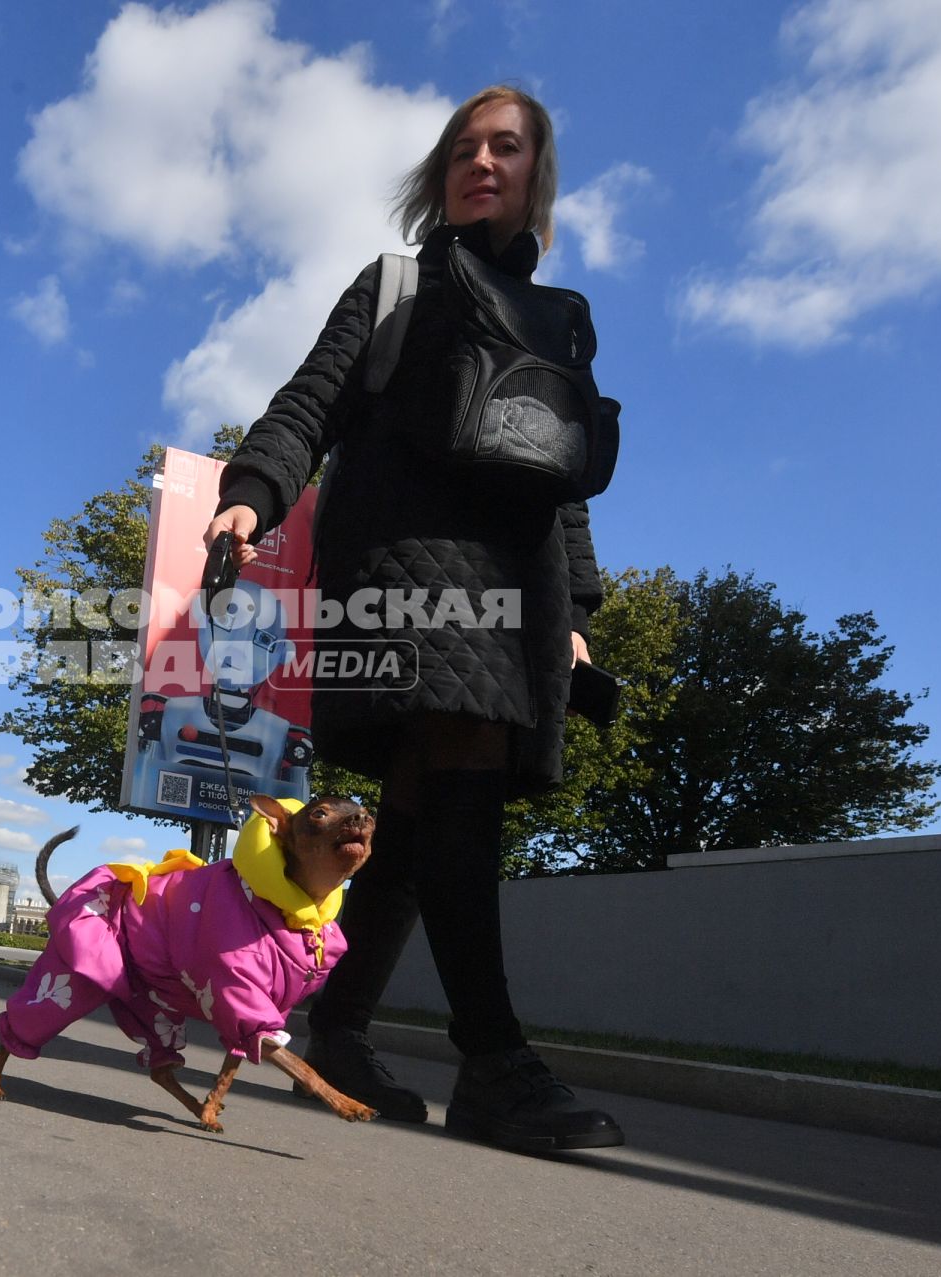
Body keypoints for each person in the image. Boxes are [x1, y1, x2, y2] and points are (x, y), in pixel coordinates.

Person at [203, 86, 623, 1153]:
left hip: (511, 579)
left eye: (508, 146)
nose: (484, 162)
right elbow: (314, 400)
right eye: (465, 149)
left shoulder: (560, 317)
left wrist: (574, 608)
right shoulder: (395, 284)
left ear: (539, 171)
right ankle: (492, 1057)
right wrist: (253, 490)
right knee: (464, 764)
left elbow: (561, 473)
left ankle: (338, 1026)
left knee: (417, 805)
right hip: (398, 562)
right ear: (442, 173)